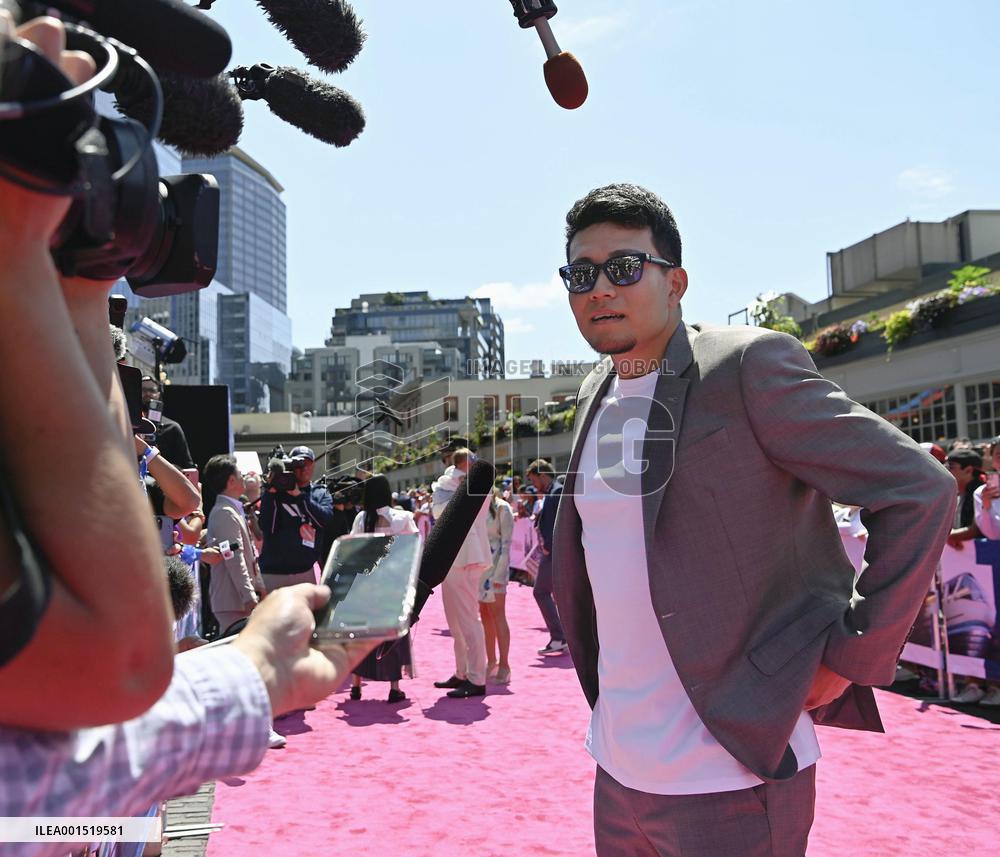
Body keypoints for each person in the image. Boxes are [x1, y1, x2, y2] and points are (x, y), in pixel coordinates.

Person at [550, 183, 955, 856]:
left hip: (732, 774)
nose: (600, 289)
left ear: (675, 282)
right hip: (617, 772)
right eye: (580, 273)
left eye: (624, 267)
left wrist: (852, 654)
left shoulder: (742, 365)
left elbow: (919, 489)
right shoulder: (594, 391)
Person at [348, 475, 419, 703]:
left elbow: (352, 548)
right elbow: (415, 547)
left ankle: (356, 685)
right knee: (393, 634)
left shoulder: (361, 518)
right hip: (392, 583)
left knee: (362, 634)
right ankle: (394, 687)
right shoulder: (401, 517)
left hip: (365, 584)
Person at [431, 448, 493, 698]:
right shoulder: (446, 483)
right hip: (452, 558)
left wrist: (460, 483)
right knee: (455, 622)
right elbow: (439, 513)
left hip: (468, 557)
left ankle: (477, 678)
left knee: (468, 620)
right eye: (471, 461)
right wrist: (455, 482)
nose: (475, 464)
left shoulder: (476, 484)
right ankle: (462, 672)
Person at [203, 455, 267, 636]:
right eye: (240, 474)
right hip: (233, 602)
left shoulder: (230, 510)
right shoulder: (225, 513)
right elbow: (233, 557)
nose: (243, 476)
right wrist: (248, 595)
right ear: (231, 480)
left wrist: (258, 585)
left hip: (237, 601)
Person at [258, 446, 334, 591]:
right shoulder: (276, 492)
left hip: (305, 571)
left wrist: (300, 497)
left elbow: (325, 520)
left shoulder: (319, 492)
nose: (303, 468)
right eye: (298, 465)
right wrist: (270, 492)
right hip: (273, 572)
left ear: (313, 466)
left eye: (307, 463)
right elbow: (267, 526)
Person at [526, 459, 567, 655]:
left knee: (541, 592)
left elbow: (558, 524)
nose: (533, 485)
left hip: (553, 553)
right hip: (553, 551)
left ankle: (559, 636)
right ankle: (563, 636)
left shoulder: (556, 492)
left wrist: (549, 546)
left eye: (534, 480)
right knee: (558, 595)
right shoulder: (553, 491)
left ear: (542, 475)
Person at [480, 487, 514, 683]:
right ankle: (491, 661)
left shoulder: (503, 508)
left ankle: (505, 664)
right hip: (479, 568)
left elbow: (507, 543)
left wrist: (499, 575)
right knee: (484, 615)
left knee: (498, 614)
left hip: (496, 568)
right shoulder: (477, 509)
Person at [140, 376, 196, 477]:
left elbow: (185, 465)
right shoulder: (127, 424)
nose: (147, 394)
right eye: (143, 390)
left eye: (152, 390)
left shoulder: (172, 427)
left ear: (158, 394)